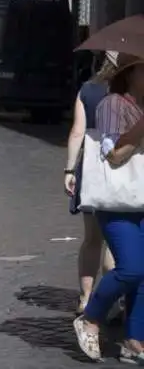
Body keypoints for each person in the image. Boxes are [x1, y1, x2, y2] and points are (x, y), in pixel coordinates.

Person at [73, 53, 144, 362]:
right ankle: (90, 317)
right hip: (118, 200)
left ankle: (134, 340)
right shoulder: (112, 105)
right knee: (131, 268)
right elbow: (114, 155)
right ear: (129, 74)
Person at [64, 52, 118, 315]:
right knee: (112, 241)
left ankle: (85, 298)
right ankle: (112, 301)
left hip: (91, 169)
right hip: (119, 168)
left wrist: (69, 169)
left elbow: (77, 131)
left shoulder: (87, 90)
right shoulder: (128, 92)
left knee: (91, 239)